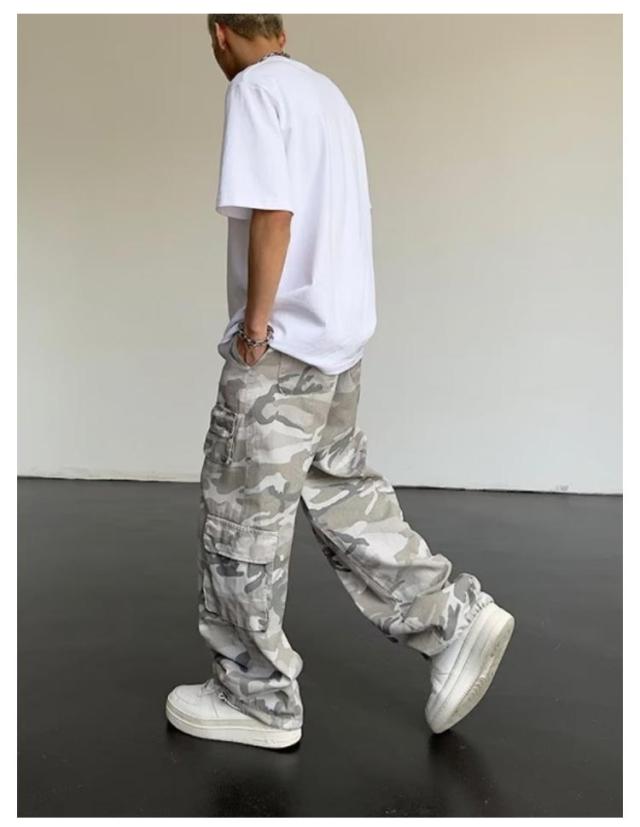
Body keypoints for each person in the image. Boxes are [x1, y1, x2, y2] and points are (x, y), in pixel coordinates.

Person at [165, 13, 515, 749]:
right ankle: (451, 619)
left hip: (284, 346)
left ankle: (255, 696)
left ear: (220, 33)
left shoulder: (255, 90)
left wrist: (255, 328)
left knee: (241, 517)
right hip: (337, 339)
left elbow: (275, 213)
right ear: (280, 28)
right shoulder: (325, 92)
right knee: (342, 489)